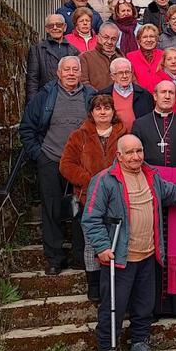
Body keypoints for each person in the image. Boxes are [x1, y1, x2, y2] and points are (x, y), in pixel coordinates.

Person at [83, 134, 176, 351]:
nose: (136, 157)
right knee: (113, 307)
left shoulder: (151, 176)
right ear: (119, 155)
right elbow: (91, 219)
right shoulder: (104, 180)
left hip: (148, 255)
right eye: (129, 152)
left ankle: (139, 344)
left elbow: (174, 194)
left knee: (144, 305)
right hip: (120, 259)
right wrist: (103, 247)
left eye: (139, 151)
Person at [131, 81, 176, 321]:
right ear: (154, 95)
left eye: (171, 92)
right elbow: (135, 160)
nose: (167, 96)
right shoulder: (140, 125)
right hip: (149, 194)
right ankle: (150, 308)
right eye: (163, 92)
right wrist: (154, 186)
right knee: (150, 250)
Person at [19, 56, 96, 276]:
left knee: (82, 208)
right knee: (51, 209)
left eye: (75, 69)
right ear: (59, 73)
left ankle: (81, 256)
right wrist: (39, 155)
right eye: (67, 70)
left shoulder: (90, 96)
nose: (71, 73)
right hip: (51, 158)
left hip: (81, 163)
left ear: (80, 73)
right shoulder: (45, 95)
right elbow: (27, 128)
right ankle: (54, 258)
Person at [60, 94, 127, 301]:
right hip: (88, 196)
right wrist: (90, 180)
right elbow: (66, 164)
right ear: (91, 112)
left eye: (107, 108)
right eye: (98, 108)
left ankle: (114, 284)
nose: (103, 112)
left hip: (118, 196)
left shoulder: (123, 133)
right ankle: (94, 285)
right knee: (92, 243)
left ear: (113, 111)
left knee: (118, 240)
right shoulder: (79, 136)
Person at [25, 14, 80, 104]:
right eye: (51, 25)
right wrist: (32, 104)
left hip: (69, 99)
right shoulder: (37, 50)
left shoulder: (74, 51)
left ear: (65, 27)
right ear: (46, 29)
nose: (55, 28)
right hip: (45, 99)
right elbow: (32, 79)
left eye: (59, 25)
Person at [97, 57, 154, 132]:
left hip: (139, 139)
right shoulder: (102, 95)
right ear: (112, 76)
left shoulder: (145, 95)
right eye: (120, 73)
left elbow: (150, 121)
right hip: (112, 139)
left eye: (127, 72)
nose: (125, 76)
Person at [80, 23, 124, 90]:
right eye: (106, 37)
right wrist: (100, 98)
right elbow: (83, 84)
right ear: (98, 37)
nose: (109, 42)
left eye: (113, 39)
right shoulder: (85, 58)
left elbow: (131, 83)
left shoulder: (122, 59)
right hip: (95, 99)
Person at [126, 24, 165, 93]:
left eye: (152, 36)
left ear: (156, 39)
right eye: (144, 37)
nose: (149, 40)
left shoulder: (164, 55)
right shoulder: (130, 57)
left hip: (161, 96)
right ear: (139, 40)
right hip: (139, 96)